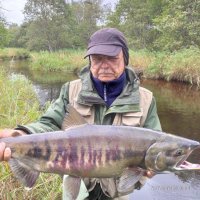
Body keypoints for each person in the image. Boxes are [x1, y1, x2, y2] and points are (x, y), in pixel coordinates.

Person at [0, 28, 161, 199]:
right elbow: (49, 123)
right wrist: (23, 134)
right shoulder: (70, 90)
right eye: (97, 59)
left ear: (125, 59)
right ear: (90, 60)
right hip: (77, 188)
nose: (104, 65)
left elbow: (157, 144)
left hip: (117, 193)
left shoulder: (146, 99)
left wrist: (153, 166)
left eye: (112, 59)